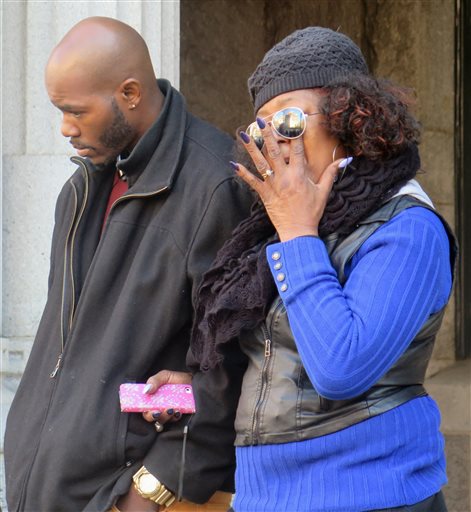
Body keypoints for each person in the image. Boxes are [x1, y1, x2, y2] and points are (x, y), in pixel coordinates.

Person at [186, 27, 457, 511]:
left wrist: (296, 233)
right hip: (265, 496)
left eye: (288, 120)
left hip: (370, 497)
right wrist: (190, 391)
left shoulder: (409, 229)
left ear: (350, 117)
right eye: (260, 128)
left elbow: (341, 368)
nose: (274, 142)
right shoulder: (289, 226)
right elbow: (274, 366)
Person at [4, 16, 252, 512]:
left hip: (131, 496)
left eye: (75, 112)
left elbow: (232, 369)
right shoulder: (79, 189)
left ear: (131, 92)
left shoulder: (215, 188)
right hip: (50, 490)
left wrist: (150, 491)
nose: (64, 129)